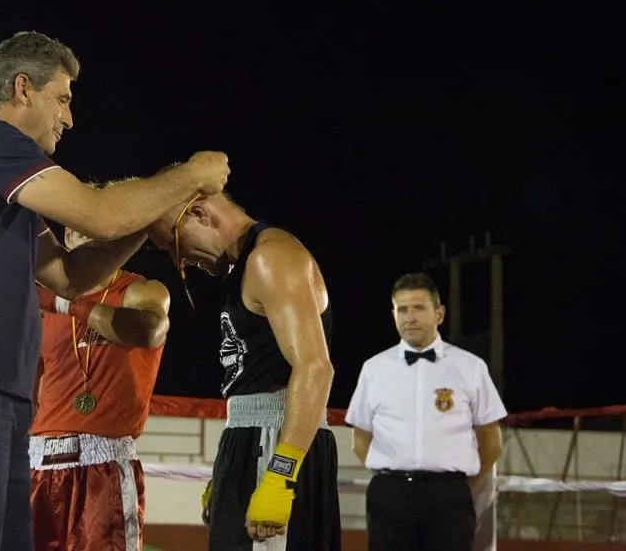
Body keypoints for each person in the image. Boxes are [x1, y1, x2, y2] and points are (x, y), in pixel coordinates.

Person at [0, 31, 230, 551]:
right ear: (23, 88)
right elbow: (99, 214)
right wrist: (190, 176)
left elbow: (70, 275)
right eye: (62, 99)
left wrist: (149, 220)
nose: (68, 118)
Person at [146, 189, 340, 551]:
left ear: (199, 214)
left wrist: (279, 475)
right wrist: (231, 467)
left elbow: (316, 367)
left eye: (174, 243)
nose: (181, 261)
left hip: (276, 443)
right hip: (254, 442)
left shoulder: (272, 257)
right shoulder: (249, 263)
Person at [29, 197, 171, 551]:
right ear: (67, 236)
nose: (90, 241)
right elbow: (28, 384)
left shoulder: (140, 290)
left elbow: (149, 331)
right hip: (37, 461)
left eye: (99, 230)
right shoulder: (41, 304)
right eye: (80, 230)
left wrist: (67, 303)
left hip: (104, 463)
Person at [344, 272, 507, 551]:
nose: (410, 318)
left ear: (439, 314)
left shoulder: (470, 367)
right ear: (393, 315)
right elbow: (360, 440)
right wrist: (392, 476)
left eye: (419, 308)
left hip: (450, 497)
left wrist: (457, 485)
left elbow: (491, 442)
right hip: (390, 495)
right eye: (402, 310)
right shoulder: (374, 368)